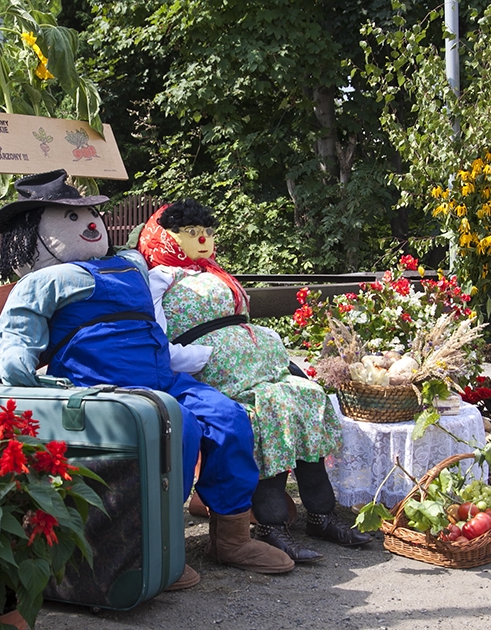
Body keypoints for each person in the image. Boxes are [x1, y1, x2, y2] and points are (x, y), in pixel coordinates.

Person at [0, 171, 295, 587]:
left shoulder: (130, 263)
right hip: (104, 386)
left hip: (161, 377)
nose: (90, 225)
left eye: (90, 215)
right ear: (35, 236)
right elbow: (18, 329)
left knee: (228, 417)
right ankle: (157, 545)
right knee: (178, 428)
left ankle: (231, 538)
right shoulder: (47, 280)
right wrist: (21, 374)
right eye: (72, 218)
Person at [136, 199, 372, 563]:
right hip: (218, 371)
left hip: (256, 364)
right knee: (268, 411)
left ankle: (321, 514)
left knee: (307, 397)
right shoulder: (159, 279)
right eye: (191, 232)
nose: (203, 239)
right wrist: (201, 357)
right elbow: (156, 338)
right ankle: (271, 523)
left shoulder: (214, 272)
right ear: (167, 236)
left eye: (208, 231)